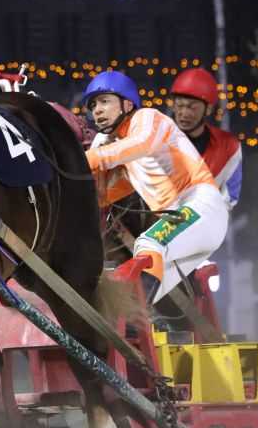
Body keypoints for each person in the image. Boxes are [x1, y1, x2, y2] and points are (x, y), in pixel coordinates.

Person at [82, 71, 229, 305]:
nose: (97, 110)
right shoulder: (122, 151)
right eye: (93, 106)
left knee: (148, 244)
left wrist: (87, 159)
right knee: (137, 300)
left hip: (201, 206)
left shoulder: (147, 117)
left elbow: (142, 144)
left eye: (104, 101)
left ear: (127, 104)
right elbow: (104, 197)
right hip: (186, 220)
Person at [169, 67, 242, 211]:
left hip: (208, 219)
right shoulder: (157, 141)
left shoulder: (228, 147)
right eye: (179, 105)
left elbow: (229, 198)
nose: (184, 113)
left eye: (192, 107)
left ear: (208, 109)